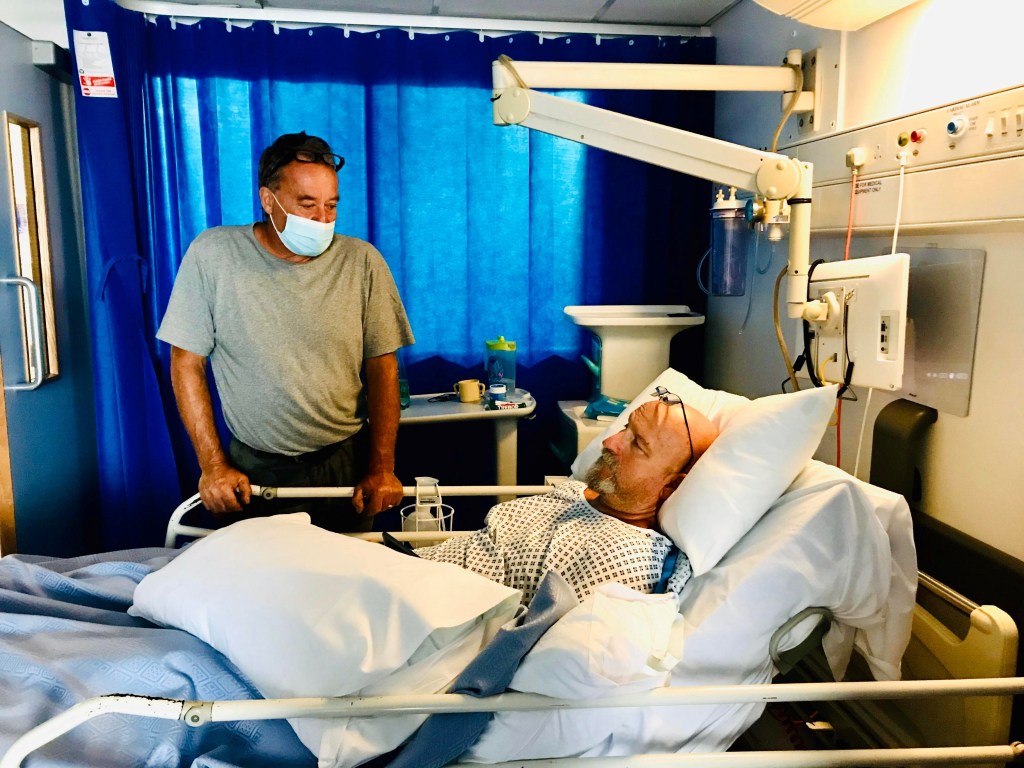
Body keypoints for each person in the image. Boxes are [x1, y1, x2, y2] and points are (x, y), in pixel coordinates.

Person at [157, 131, 415, 532]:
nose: (322, 219)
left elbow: (383, 368)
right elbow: (186, 362)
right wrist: (213, 466)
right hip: (254, 468)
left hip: (345, 463)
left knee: (346, 568)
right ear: (268, 200)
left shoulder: (361, 261)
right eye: (307, 204)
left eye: (331, 205)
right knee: (261, 571)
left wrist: (382, 467)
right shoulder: (214, 255)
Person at [417, 392, 719, 603]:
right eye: (626, 428)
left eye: (637, 444)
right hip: (420, 567)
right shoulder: (578, 492)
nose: (609, 441)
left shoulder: (620, 559)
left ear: (671, 485)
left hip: (431, 604)